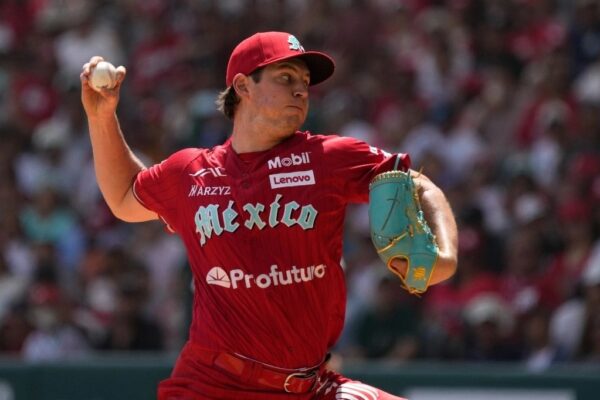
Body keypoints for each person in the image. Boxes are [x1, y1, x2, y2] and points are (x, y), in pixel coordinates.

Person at [80, 31, 458, 400]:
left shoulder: (327, 158)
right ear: (243, 87)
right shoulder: (191, 173)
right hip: (214, 385)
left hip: (310, 385)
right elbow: (125, 196)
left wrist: (445, 253)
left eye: (305, 82)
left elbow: (417, 184)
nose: (301, 90)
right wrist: (101, 118)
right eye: (285, 77)